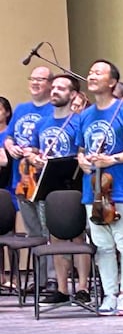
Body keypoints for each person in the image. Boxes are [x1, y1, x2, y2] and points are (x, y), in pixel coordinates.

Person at [76, 60, 123, 315]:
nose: (91, 75)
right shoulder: (85, 115)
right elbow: (81, 150)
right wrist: (83, 161)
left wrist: (113, 159)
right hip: (92, 190)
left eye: (98, 72)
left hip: (120, 189)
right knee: (103, 245)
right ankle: (109, 293)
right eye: (90, 71)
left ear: (112, 82)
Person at [28, 75, 91, 304]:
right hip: (49, 186)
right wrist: (34, 158)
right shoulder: (42, 122)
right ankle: (62, 289)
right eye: (53, 87)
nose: (55, 91)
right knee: (55, 237)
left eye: (61, 88)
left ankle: (83, 286)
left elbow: (84, 151)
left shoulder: (79, 121)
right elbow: (35, 149)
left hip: (73, 184)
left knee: (78, 236)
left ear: (73, 94)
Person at [4, 66, 55, 289]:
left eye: (40, 80)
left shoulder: (53, 111)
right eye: (32, 79)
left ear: (50, 84)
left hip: (44, 180)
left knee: (49, 231)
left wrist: (33, 153)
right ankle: (39, 279)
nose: (35, 83)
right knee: (33, 233)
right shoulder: (22, 108)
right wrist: (10, 146)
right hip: (23, 180)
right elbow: (8, 135)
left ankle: (53, 278)